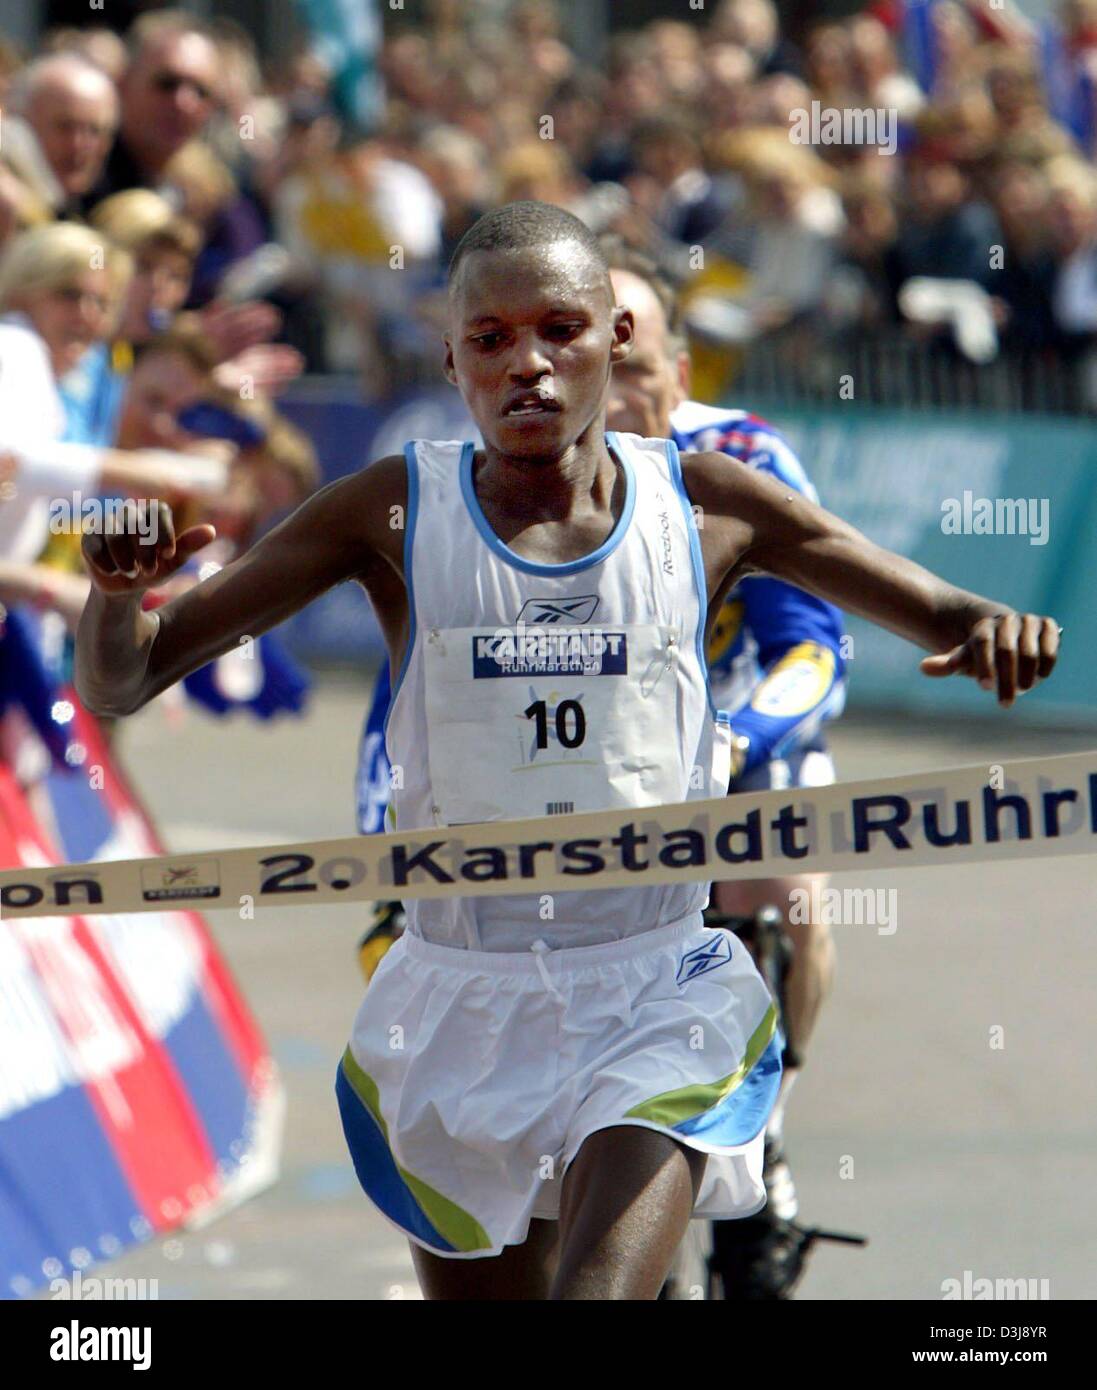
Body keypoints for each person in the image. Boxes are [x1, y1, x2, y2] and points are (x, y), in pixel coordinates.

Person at [74, 202, 1060, 1301]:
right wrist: (113, 601)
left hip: (653, 988)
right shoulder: (387, 514)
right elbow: (125, 676)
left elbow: (950, 616)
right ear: (448, 358)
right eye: (489, 340)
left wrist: (998, 635)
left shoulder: (709, 503)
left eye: (559, 330)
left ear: (616, 340)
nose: (527, 366)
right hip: (460, 995)